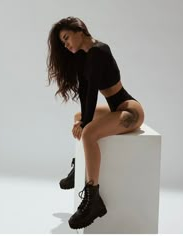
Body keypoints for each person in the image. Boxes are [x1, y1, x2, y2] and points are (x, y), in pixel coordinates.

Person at [47, 16, 145, 229]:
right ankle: (79, 167)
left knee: (89, 131)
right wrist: (83, 119)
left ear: (79, 30)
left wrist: (86, 123)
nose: (66, 45)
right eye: (63, 43)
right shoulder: (84, 56)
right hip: (115, 108)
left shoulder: (99, 51)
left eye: (66, 38)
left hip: (130, 110)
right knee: (78, 117)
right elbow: (84, 91)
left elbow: (92, 93)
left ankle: (93, 199)